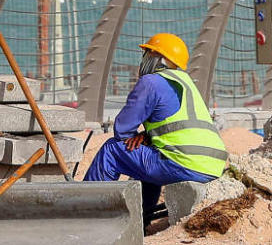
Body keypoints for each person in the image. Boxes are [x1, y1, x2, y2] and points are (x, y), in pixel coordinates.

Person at [84, 33, 228, 230]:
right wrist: (148, 137)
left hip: (183, 163)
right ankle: (138, 224)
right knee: (147, 163)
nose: (143, 60)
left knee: (112, 150)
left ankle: (88, 215)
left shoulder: (151, 82)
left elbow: (122, 129)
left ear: (156, 56)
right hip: (212, 165)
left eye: (146, 54)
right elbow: (178, 125)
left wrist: (138, 138)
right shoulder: (187, 84)